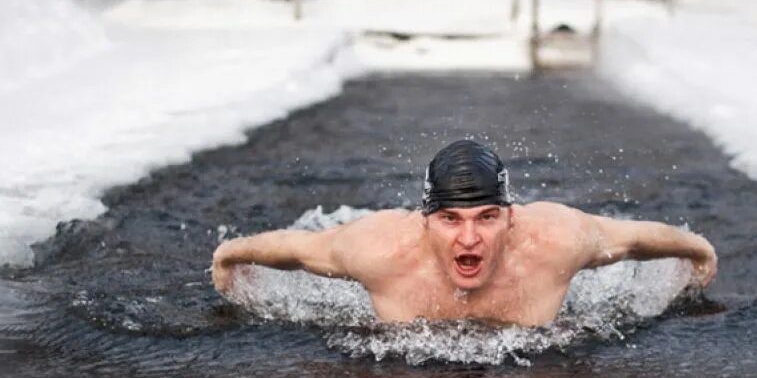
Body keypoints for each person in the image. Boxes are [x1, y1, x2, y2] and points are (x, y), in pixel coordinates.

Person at [212, 139, 717, 327]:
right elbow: (301, 251)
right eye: (450, 219)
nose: (468, 239)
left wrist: (697, 250)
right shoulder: (379, 249)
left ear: (511, 218)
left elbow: (629, 238)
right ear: (424, 220)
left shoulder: (556, 240)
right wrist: (229, 255)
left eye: (486, 218)